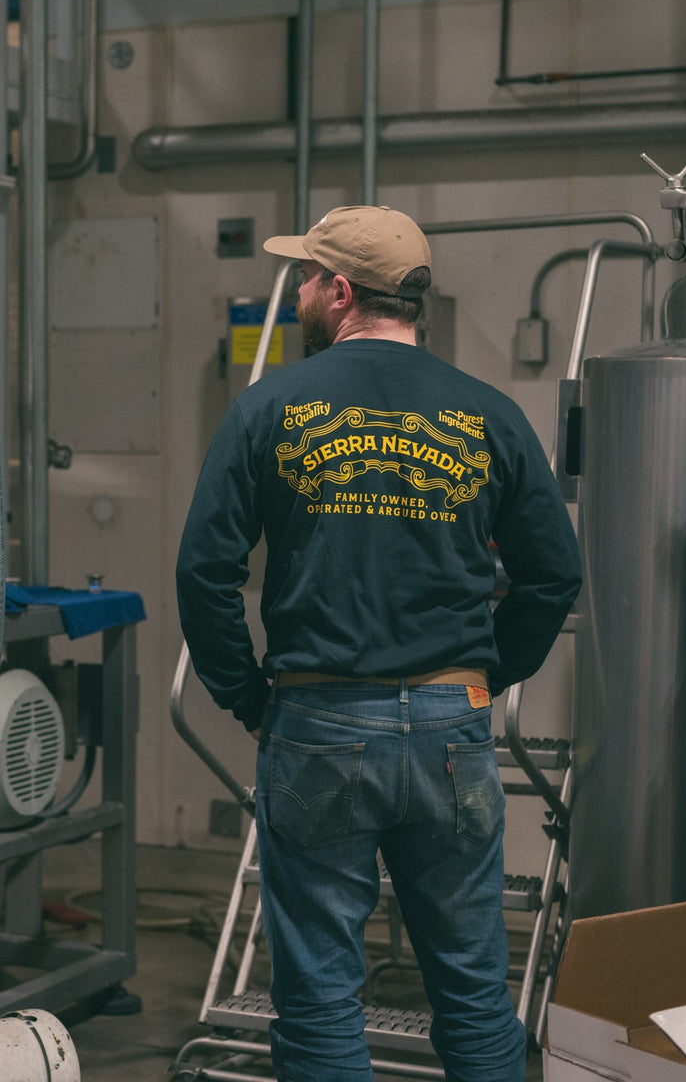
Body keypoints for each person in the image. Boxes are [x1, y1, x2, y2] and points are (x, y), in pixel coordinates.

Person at [175, 205, 581, 1082]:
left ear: (341, 290)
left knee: (320, 995)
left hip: (317, 722)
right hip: (452, 727)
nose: (299, 297)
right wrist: (481, 672)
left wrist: (246, 697)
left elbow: (204, 573)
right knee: (474, 991)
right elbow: (553, 576)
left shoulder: (270, 407)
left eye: (307, 280)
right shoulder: (491, 414)